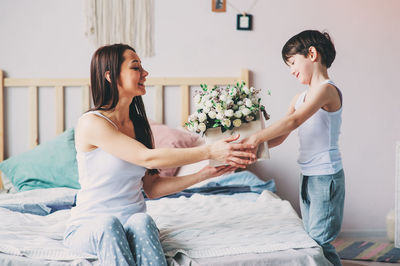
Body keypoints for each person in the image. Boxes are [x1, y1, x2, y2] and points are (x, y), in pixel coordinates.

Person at [63, 43, 256, 266]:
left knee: (142, 221)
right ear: (110, 75)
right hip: (89, 228)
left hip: (132, 226)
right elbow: (147, 157)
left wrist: (204, 174)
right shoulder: (91, 123)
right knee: (109, 224)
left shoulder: (140, 127)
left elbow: (152, 187)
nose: (145, 73)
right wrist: (209, 150)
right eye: (136, 67)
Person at [242, 30, 344, 266]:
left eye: (293, 62)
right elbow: (280, 136)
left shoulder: (327, 90)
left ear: (312, 54)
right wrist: (250, 151)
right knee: (312, 237)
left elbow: (293, 122)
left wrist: (255, 138)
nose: (291, 70)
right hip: (308, 175)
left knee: (321, 241)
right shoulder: (299, 98)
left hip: (326, 175)